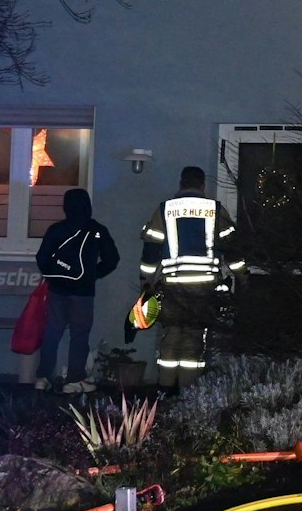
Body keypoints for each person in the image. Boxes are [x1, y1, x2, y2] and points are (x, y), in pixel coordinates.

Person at [138, 166, 243, 383]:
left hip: (172, 287)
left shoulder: (165, 210)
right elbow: (232, 249)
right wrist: (243, 275)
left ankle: (166, 389)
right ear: (203, 186)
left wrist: (146, 282)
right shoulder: (215, 210)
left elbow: (151, 250)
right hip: (203, 289)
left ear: (181, 184)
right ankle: (188, 392)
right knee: (194, 341)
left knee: (171, 337)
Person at [33, 188, 120, 392]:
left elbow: (42, 258)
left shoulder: (56, 229)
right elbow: (112, 259)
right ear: (87, 206)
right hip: (83, 293)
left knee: (52, 332)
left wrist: (54, 276)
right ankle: (74, 380)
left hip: (57, 290)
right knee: (79, 334)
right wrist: (93, 275)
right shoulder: (97, 230)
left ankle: (43, 377)